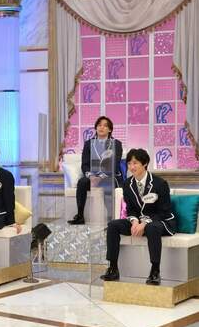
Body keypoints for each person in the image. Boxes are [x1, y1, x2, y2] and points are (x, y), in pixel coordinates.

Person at [102, 148, 175, 286]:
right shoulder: (127, 184)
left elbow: (164, 212)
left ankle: (155, 271)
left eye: (135, 163)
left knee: (152, 228)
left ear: (145, 163)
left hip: (161, 221)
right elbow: (131, 209)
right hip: (139, 221)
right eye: (129, 163)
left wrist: (144, 223)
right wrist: (135, 222)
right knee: (113, 225)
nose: (131, 167)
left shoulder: (160, 183)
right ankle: (113, 268)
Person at [69, 116, 123, 225]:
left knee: (109, 183)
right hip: (93, 177)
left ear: (110, 129)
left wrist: (100, 177)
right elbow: (85, 164)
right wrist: (91, 176)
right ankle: (80, 216)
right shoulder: (89, 144)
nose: (101, 127)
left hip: (110, 176)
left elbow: (114, 164)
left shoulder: (116, 144)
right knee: (82, 182)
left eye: (105, 126)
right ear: (96, 128)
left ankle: (111, 219)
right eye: (99, 125)